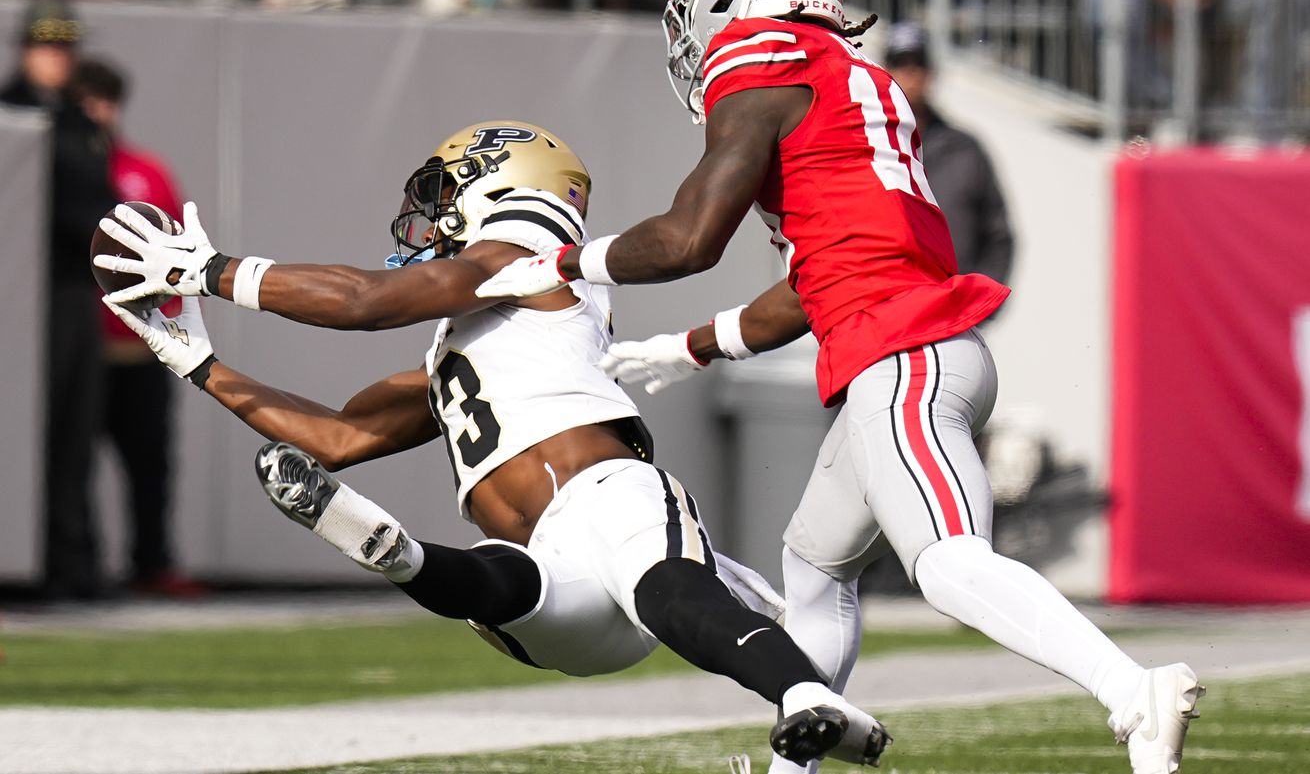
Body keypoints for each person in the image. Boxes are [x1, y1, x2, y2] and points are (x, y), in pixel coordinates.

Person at [471, 0, 1202, 774]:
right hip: (904, 347)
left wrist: (563, 260)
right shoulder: (854, 75)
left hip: (903, 354)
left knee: (947, 561)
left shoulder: (760, 55)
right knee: (813, 566)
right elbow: (818, 280)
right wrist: (693, 348)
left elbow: (690, 235)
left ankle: (1131, 689)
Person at [97, 121, 891, 768]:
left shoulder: (520, 263)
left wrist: (213, 271)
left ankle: (801, 696)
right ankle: (399, 552)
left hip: (614, 503)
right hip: (557, 581)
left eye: (445, 193)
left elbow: (365, 301)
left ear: (500, 188)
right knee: (501, 583)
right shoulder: (465, 345)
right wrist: (198, 363)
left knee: (658, 588)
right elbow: (334, 437)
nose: (430, 216)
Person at [69, 57, 202, 597]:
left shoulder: (144, 171)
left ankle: (152, 562)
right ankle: (81, 567)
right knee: (72, 465)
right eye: (89, 100)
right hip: (83, 344)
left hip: (140, 345)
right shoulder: (63, 168)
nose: (99, 111)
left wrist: (172, 330)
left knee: (151, 465)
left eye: (107, 100)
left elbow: (180, 253)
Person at [1, 0, 118, 600]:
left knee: (77, 434)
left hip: (76, 291)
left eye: (64, 46)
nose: (56, 58)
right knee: (29, 431)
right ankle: (23, 564)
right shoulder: (10, 114)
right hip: (23, 294)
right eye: (46, 46)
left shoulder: (80, 121)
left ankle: (74, 567)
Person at [883, 22, 1013, 285]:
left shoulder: (966, 149)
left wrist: (980, 301)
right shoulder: (866, 145)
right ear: (885, 72)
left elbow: (999, 234)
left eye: (918, 63)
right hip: (886, 309)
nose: (910, 73)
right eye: (900, 63)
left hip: (954, 313)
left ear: (932, 73)